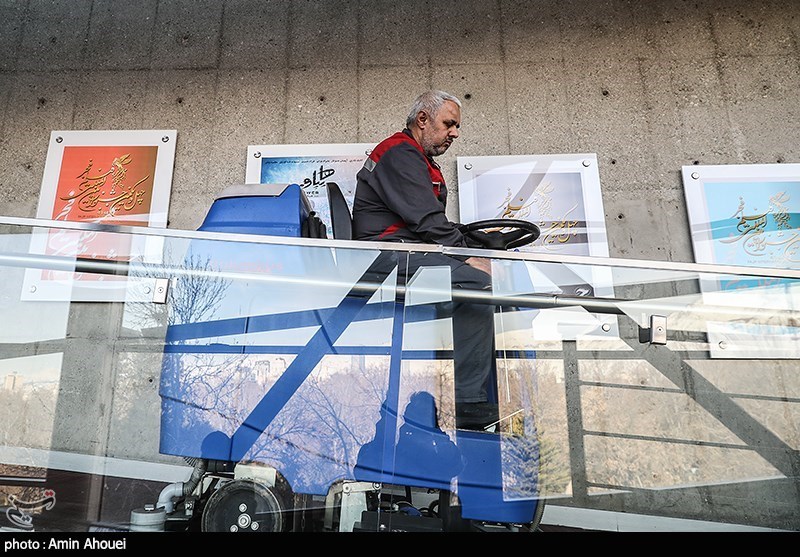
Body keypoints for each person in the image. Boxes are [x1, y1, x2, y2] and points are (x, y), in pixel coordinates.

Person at [351, 90, 498, 431]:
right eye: (449, 124)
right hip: (388, 256)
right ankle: (468, 401)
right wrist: (466, 254)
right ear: (422, 120)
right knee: (474, 283)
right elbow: (426, 220)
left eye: (457, 126)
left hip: (406, 250)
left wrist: (479, 240)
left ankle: (471, 388)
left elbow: (430, 221)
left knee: (477, 280)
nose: (455, 133)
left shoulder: (417, 159)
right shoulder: (400, 153)